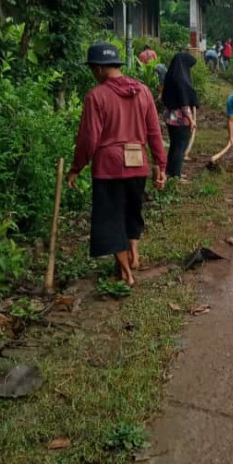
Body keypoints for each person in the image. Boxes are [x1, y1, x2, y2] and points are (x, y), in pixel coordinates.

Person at [66, 42, 166, 286]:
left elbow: (89, 139)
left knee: (111, 218)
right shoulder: (143, 91)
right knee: (132, 211)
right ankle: (134, 254)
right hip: (138, 163)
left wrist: (76, 168)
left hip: (109, 168)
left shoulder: (97, 96)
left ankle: (125, 274)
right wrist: (160, 166)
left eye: (92, 68)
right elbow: (154, 133)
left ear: (99, 69)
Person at [162, 52, 199, 179]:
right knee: (180, 146)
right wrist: (191, 120)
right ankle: (176, 175)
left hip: (169, 116)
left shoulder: (171, 75)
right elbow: (184, 103)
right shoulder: (182, 80)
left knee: (174, 144)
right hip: (179, 119)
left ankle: (169, 171)